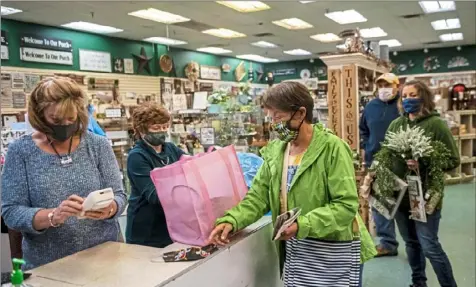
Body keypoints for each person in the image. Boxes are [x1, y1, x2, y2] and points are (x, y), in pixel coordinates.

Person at [209, 82, 376, 287]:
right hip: (297, 249)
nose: (272, 124)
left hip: (333, 247)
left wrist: (302, 225)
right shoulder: (277, 151)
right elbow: (258, 197)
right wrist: (232, 220)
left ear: (300, 114)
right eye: (270, 117)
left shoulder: (333, 148)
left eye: (278, 117)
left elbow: (346, 205)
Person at [1, 77, 126, 270]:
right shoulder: (21, 152)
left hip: (104, 257)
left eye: (71, 118)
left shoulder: (97, 145)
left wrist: (109, 208)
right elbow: (11, 211)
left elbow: (120, 195)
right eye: (56, 120)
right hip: (48, 265)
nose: (65, 125)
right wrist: (53, 216)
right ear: (40, 115)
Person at [386, 80, 459, 287]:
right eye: (404, 96)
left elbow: (453, 160)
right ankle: (418, 282)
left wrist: (425, 160)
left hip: (425, 195)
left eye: (413, 95)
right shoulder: (396, 124)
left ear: (423, 97)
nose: (408, 99)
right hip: (401, 195)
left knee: (429, 245)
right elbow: (387, 155)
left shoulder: (436, 125)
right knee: (411, 243)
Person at [126, 102, 185, 248]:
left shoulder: (171, 149)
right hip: (146, 229)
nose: (162, 131)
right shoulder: (137, 157)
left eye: (165, 127)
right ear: (142, 129)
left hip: (170, 225)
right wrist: (185, 192)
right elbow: (153, 195)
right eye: (156, 128)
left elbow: (189, 166)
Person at [359, 73, 401, 257]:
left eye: (388, 84)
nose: (384, 88)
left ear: (396, 86)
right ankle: (388, 243)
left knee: (404, 203)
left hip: (400, 162)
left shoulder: (402, 105)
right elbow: (364, 129)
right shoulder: (371, 106)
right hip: (375, 161)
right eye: (381, 84)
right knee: (380, 204)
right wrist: (367, 145)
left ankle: (415, 243)